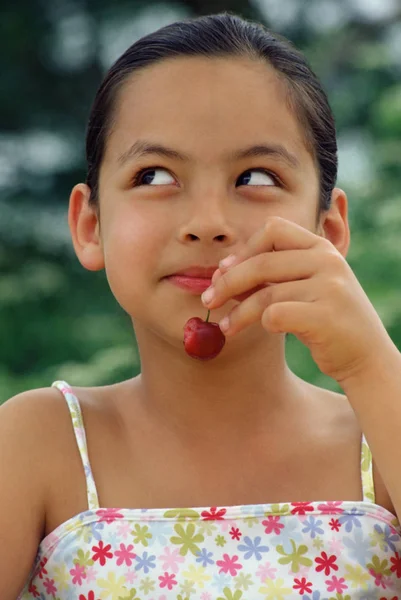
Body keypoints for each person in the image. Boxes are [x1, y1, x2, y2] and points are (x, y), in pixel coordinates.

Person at [3, 11, 401, 599]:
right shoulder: (39, 442)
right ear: (90, 225)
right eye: (155, 174)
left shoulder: (382, 436)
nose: (207, 224)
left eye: (256, 178)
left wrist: (371, 366)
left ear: (330, 229)